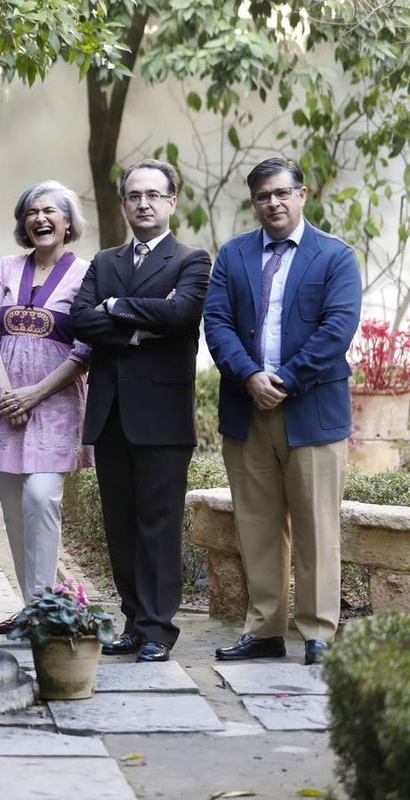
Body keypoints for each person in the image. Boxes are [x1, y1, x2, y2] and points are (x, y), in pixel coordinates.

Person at [203, 157, 361, 666]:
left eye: (281, 193)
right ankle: (265, 629)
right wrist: (250, 376)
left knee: (317, 524)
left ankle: (317, 633)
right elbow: (217, 322)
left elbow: (337, 329)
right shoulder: (233, 255)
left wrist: (286, 381)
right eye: (262, 196)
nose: (273, 202)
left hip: (312, 410)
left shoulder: (335, 256)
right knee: (257, 523)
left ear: (302, 194)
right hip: (247, 409)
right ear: (254, 203)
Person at [70, 158, 211, 663]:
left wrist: (115, 308)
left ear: (172, 202)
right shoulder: (103, 262)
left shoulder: (191, 261)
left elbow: (180, 314)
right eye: (134, 195)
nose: (143, 203)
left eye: (154, 195)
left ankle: (157, 628)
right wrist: (133, 323)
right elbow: (80, 321)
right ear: (124, 203)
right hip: (110, 413)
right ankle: (132, 620)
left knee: (158, 523)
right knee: (121, 524)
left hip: (162, 414)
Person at [0, 181, 94, 634]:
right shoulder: (7, 268)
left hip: (56, 402)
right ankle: (33, 605)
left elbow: (86, 346)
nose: (40, 218)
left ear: (68, 221)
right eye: (31, 212)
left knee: (40, 498)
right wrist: (9, 391)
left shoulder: (86, 273)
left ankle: (46, 605)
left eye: (50, 210)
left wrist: (34, 394)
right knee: (13, 508)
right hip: (1, 399)